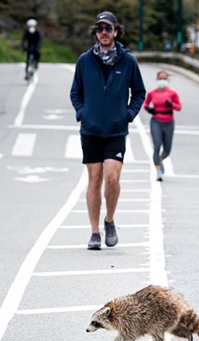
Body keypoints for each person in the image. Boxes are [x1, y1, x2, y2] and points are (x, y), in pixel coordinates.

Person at [70, 11, 146, 250]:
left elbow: (140, 93)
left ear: (115, 31)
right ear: (95, 33)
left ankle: (109, 221)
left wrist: (128, 115)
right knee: (94, 180)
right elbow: (75, 92)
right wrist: (83, 112)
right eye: (100, 28)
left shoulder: (128, 61)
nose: (104, 32)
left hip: (115, 130)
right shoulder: (84, 60)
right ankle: (94, 233)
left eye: (108, 28)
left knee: (112, 178)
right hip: (90, 130)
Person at [143, 70, 182, 181]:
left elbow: (179, 107)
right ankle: (158, 171)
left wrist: (171, 105)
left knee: (167, 149)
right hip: (156, 121)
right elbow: (145, 103)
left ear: (167, 80)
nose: (162, 81)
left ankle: (160, 159)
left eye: (164, 79)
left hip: (169, 122)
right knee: (156, 145)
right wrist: (149, 109)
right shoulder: (152, 93)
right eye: (160, 79)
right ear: (157, 79)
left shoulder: (172, 93)